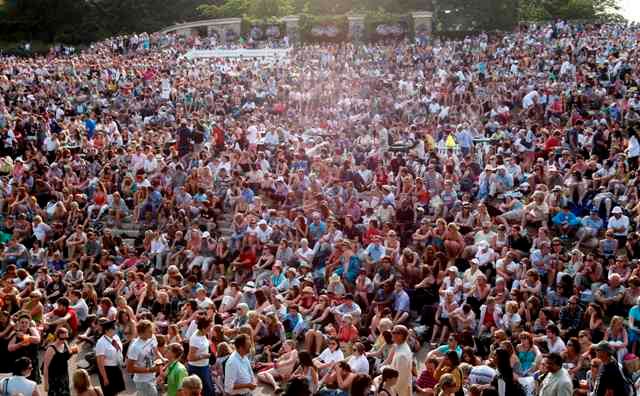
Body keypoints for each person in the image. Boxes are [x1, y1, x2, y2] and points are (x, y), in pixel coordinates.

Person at [126, 319, 160, 396]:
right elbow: (129, 368)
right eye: (149, 331)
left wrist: (161, 359)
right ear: (141, 333)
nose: (152, 332)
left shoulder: (152, 337)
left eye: (152, 330)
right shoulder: (135, 347)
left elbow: (156, 351)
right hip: (142, 381)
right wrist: (150, 369)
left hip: (152, 377)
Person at [43, 326, 79, 396]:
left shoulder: (65, 343)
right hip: (54, 378)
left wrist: (73, 351)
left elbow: (66, 356)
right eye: (61, 338)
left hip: (64, 376)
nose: (63, 340)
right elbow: (45, 366)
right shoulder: (51, 349)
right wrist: (46, 383)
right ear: (57, 337)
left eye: (66, 338)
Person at [95, 318, 126, 396]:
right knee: (109, 393)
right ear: (106, 331)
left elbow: (119, 351)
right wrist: (105, 378)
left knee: (116, 391)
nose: (116, 329)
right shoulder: (101, 342)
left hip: (117, 367)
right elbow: (100, 363)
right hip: (107, 370)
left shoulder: (116, 337)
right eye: (113, 328)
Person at [186, 317, 213, 396]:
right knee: (206, 391)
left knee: (209, 390)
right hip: (197, 369)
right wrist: (204, 356)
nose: (210, 329)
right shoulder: (195, 339)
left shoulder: (204, 334)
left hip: (204, 366)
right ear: (203, 328)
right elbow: (190, 357)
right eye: (209, 327)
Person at [390, 325, 413, 396]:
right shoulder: (400, 346)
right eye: (392, 332)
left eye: (394, 332)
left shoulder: (402, 355)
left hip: (399, 390)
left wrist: (392, 390)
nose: (392, 334)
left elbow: (400, 377)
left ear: (401, 336)